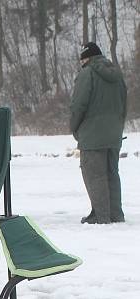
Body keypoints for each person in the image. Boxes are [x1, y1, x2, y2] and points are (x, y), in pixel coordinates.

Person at [70, 42, 127, 224]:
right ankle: (116, 214)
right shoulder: (117, 74)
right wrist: (118, 126)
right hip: (114, 133)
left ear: (86, 58)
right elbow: (124, 104)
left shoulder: (87, 74)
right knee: (112, 173)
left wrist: (74, 127)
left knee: (95, 175)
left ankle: (101, 217)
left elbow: (79, 105)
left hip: (92, 135)